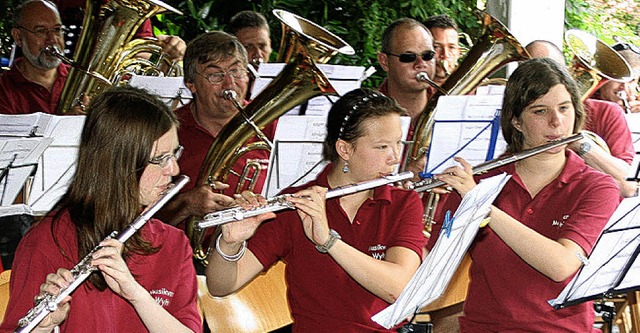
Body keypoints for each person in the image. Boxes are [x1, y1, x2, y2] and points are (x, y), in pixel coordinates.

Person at [205, 88, 426, 332]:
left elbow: (398, 289)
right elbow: (220, 285)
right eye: (382, 147)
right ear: (345, 150)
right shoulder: (297, 204)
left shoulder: (403, 202)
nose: (395, 158)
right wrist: (230, 243)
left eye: (398, 143)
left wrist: (329, 242)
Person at [427, 58, 620, 332]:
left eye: (564, 109)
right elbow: (431, 260)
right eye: (540, 112)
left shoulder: (596, 187)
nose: (557, 123)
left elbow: (561, 264)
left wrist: (481, 206)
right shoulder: (480, 182)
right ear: (516, 121)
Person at [0, 86, 201, 332]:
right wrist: (43, 327)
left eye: (174, 154)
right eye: (160, 159)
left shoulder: (173, 243)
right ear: (117, 164)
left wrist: (136, 295)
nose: (174, 170)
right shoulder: (46, 243)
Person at [156, 31, 274, 229]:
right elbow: (136, 220)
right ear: (190, 84)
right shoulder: (165, 131)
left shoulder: (269, 125)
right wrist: (185, 205)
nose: (230, 84)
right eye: (215, 75)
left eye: (237, 72)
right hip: (187, 256)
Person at [526, 40, 637, 197]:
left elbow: (629, 186)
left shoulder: (606, 112)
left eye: (547, 69)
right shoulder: (515, 114)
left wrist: (580, 143)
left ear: (565, 72)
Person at [0, 0, 80, 115]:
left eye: (57, 30)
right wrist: (65, 123)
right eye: (41, 31)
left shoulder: (80, 78)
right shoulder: (3, 89)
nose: (52, 40)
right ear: (18, 37)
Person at [377, 18, 436, 123]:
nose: (421, 64)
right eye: (408, 57)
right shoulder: (366, 115)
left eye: (428, 55)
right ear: (384, 61)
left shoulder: (449, 107)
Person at [594, 41, 640, 113]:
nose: (624, 87)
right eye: (619, 79)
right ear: (602, 76)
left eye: (632, 80)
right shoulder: (585, 103)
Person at [424, 14, 461, 86]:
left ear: (458, 52)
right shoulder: (412, 88)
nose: (445, 55)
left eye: (451, 47)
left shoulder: (476, 89)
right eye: (436, 47)